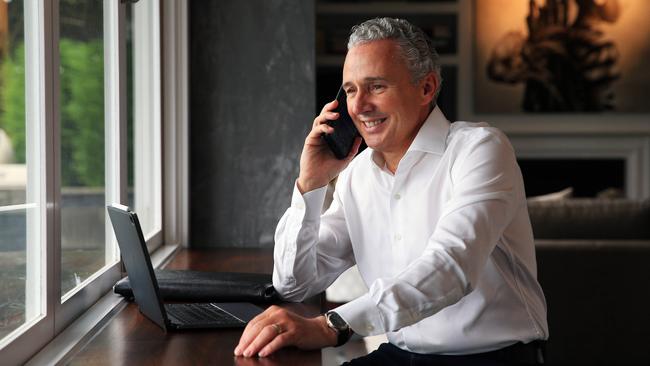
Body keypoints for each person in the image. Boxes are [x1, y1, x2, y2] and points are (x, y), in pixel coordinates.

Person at [234, 17, 549, 365]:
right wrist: (310, 184)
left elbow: (451, 267)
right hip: (402, 354)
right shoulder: (356, 176)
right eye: (351, 90)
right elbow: (293, 285)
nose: (359, 106)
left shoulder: (480, 150)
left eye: (376, 86)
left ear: (426, 88)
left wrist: (334, 325)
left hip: (491, 358)